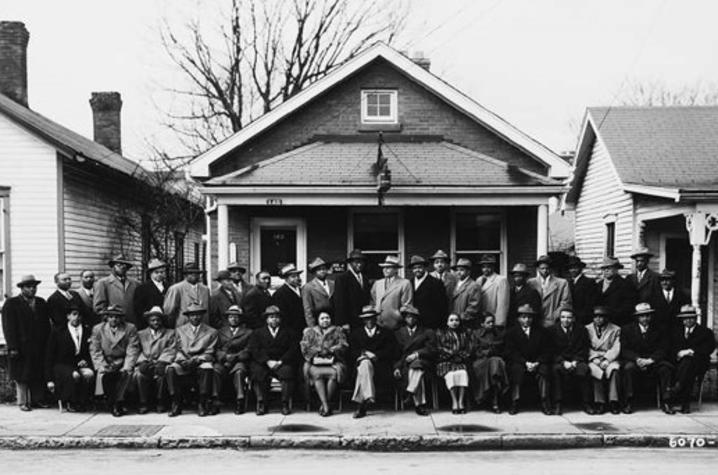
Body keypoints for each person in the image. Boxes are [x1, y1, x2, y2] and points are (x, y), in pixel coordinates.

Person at [1, 275, 52, 411]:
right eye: (28, 287)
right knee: (22, 375)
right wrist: (13, 347)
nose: (32, 289)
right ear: (22, 288)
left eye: (34, 287)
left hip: (39, 345)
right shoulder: (12, 304)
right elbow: (8, 327)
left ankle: (38, 400)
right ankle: (23, 402)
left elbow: (46, 325)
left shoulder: (41, 303)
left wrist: (47, 343)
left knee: (37, 373)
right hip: (21, 346)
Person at [619, 302, 675, 414]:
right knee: (628, 369)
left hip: (653, 361)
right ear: (637, 317)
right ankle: (628, 401)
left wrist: (651, 360)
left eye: (647, 315)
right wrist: (637, 359)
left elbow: (663, 348)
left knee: (666, 369)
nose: (645, 318)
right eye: (642, 316)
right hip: (636, 361)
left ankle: (666, 401)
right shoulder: (627, 329)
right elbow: (624, 349)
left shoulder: (660, 329)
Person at [166, 304, 219, 417]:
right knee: (171, 369)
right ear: (188, 317)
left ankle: (202, 403)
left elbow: (210, 351)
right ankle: (176, 402)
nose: (195, 317)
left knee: (207, 368)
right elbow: (176, 348)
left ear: (202, 316)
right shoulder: (180, 330)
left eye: (198, 315)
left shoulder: (211, 331)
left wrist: (197, 359)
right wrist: (181, 359)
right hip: (184, 360)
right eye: (192, 315)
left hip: (201, 361)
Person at [248, 305, 299, 416]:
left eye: (276, 317)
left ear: (280, 319)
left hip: (281, 362)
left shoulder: (289, 332)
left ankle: (285, 403)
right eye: (271, 317)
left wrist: (281, 361)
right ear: (266, 319)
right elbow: (254, 349)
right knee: (257, 372)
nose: (274, 319)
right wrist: (267, 361)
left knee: (288, 372)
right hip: (264, 362)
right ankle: (262, 403)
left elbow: (293, 349)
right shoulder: (257, 333)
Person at [89, 305, 139, 417]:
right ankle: (111, 403)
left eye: (117, 317)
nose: (114, 319)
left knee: (126, 374)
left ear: (121, 318)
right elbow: (95, 349)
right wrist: (102, 365)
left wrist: (127, 366)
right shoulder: (98, 329)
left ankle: (118, 403)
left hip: (122, 360)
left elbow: (132, 349)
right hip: (106, 360)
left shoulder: (130, 328)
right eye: (111, 317)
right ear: (106, 317)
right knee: (105, 375)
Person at [349, 305, 397, 419]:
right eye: (366, 318)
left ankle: (361, 405)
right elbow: (350, 352)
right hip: (359, 366)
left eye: (371, 318)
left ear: (376, 318)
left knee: (364, 369)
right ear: (363, 320)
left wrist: (376, 355)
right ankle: (368, 397)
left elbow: (393, 351)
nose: (369, 321)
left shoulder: (386, 332)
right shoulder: (356, 333)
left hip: (380, 367)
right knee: (364, 364)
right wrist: (363, 354)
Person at [504, 304, 552, 415]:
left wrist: (537, 362)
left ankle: (545, 401)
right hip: (520, 362)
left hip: (537, 362)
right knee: (516, 370)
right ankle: (515, 401)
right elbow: (510, 352)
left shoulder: (541, 332)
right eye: (523, 317)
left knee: (544, 370)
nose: (526, 320)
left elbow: (547, 351)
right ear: (518, 318)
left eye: (529, 317)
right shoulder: (511, 333)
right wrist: (525, 363)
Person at [45, 304, 94, 412]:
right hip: (62, 364)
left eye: (79, 315)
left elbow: (90, 351)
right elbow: (49, 355)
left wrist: (85, 360)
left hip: (79, 364)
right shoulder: (58, 331)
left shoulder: (86, 331)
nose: (77, 318)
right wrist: (49, 379)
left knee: (89, 374)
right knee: (75, 375)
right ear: (68, 316)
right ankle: (70, 401)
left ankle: (83, 400)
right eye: (74, 314)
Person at [668, 305, 716, 413]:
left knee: (688, 364)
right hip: (678, 363)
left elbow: (709, 348)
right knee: (682, 367)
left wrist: (691, 351)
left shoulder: (705, 332)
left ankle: (678, 390)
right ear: (682, 319)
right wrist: (678, 353)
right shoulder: (676, 332)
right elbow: (671, 348)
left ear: (695, 318)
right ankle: (684, 402)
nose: (688, 320)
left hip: (698, 363)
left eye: (691, 318)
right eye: (685, 318)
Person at [300, 311, 348, 417]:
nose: (325, 320)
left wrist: (331, 350)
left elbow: (343, 345)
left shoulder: (338, 331)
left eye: (327, 318)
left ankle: (325, 404)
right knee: (317, 375)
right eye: (322, 318)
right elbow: (305, 347)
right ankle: (326, 405)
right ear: (318, 320)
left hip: (333, 362)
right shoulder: (310, 332)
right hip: (315, 363)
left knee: (334, 374)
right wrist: (318, 351)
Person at [393, 304, 436, 416]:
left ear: (417, 318)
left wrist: (417, 354)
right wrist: (397, 367)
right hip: (404, 363)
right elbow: (396, 354)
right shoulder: (399, 333)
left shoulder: (426, 331)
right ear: (404, 318)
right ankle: (419, 404)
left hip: (423, 361)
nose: (410, 319)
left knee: (417, 366)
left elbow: (431, 349)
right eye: (408, 317)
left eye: (413, 317)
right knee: (414, 370)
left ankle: (410, 393)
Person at [548, 307, 592, 415]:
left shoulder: (581, 330)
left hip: (576, 360)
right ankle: (558, 403)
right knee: (556, 371)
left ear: (573, 319)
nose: (566, 320)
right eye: (563, 317)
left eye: (569, 317)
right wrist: (563, 362)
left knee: (584, 369)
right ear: (559, 318)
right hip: (560, 361)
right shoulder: (551, 330)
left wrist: (576, 361)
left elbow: (584, 348)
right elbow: (550, 351)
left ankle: (586, 403)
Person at [134, 306, 176, 414]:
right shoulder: (141, 334)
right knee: (139, 375)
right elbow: (136, 349)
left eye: (158, 320)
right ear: (148, 321)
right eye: (153, 320)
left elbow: (171, 349)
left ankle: (160, 401)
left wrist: (162, 361)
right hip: (146, 362)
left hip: (161, 362)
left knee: (162, 375)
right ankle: (143, 402)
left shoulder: (170, 333)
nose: (156, 322)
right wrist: (142, 361)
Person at [213, 305, 253, 415]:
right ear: (227, 318)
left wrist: (235, 357)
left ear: (240, 318)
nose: (233, 319)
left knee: (239, 372)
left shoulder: (248, 332)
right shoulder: (220, 332)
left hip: (239, 361)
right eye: (231, 316)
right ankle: (215, 400)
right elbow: (216, 349)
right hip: (223, 361)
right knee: (215, 370)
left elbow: (248, 350)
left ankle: (240, 399)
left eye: (236, 317)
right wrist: (224, 356)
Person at [586, 306, 622, 415]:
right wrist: (594, 358)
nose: (598, 319)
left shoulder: (615, 329)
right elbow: (585, 346)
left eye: (601, 317)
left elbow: (616, 347)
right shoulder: (587, 329)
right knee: (595, 371)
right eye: (596, 316)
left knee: (614, 370)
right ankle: (599, 402)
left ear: (606, 318)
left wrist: (607, 359)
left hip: (609, 357)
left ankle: (613, 401)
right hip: (594, 358)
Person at [471, 312, 508, 413]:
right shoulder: (476, 334)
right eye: (488, 322)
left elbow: (504, 350)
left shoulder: (499, 334)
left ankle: (493, 399)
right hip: (480, 362)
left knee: (496, 363)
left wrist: (494, 351)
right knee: (495, 365)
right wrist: (486, 352)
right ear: (482, 324)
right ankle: (494, 401)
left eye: (492, 322)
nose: (491, 324)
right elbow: (474, 351)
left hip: (496, 360)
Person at [436, 313, 472, 414]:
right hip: (446, 362)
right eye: (451, 320)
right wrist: (451, 354)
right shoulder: (441, 333)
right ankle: (454, 401)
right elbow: (439, 348)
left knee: (462, 374)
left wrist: (461, 356)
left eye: (456, 320)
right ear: (447, 323)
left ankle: (461, 401)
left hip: (460, 361)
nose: (454, 322)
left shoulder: (464, 334)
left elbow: (468, 348)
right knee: (451, 375)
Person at [94, 254, 139, 326]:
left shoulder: (135, 283)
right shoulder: (103, 283)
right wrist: (110, 319)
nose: (123, 267)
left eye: (125, 265)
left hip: (131, 324)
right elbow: (99, 308)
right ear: (113, 266)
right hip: (113, 325)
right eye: (119, 264)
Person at [371, 255, 413, 331]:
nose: (385, 270)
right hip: (378, 325)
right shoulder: (378, 283)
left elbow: (406, 305)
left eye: (388, 267)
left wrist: (398, 316)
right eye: (384, 267)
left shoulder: (404, 283)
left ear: (396, 269)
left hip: (396, 326)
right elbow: (373, 300)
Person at [332, 249, 371, 331]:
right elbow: (339, 303)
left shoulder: (365, 278)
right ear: (350, 263)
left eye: (361, 262)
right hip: (349, 321)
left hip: (363, 320)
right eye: (356, 262)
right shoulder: (342, 279)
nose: (359, 265)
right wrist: (343, 323)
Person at [528, 255, 572, 327]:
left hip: (553, 322)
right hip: (535, 322)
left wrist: (555, 316)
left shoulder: (562, 283)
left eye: (547, 268)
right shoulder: (531, 283)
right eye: (542, 268)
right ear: (538, 269)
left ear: (551, 268)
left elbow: (565, 302)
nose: (545, 270)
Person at [164, 263, 210, 328]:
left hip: (203, 328)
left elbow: (208, 311)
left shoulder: (205, 289)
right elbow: (169, 312)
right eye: (190, 273)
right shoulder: (176, 289)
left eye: (197, 273)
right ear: (185, 275)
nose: (194, 276)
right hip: (184, 327)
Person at [410, 255, 448, 330]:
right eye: (414, 268)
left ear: (424, 267)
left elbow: (442, 306)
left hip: (431, 324)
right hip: (415, 324)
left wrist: (440, 325)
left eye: (420, 267)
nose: (417, 270)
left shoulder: (436, 283)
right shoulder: (410, 282)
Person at [596, 257, 636, 327]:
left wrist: (611, 314)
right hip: (600, 323)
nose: (606, 271)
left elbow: (628, 307)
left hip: (617, 323)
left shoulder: (625, 285)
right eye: (604, 268)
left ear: (616, 269)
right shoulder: (599, 284)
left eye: (609, 268)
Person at [272, 263, 306, 337]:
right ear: (286, 279)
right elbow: (282, 315)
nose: (297, 278)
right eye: (293, 277)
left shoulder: (302, 290)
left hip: (303, 329)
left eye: (298, 276)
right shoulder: (280, 294)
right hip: (289, 331)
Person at [133, 259, 168, 330]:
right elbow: (138, 307)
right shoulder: (142, 288)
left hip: (165, 322)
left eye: (162, 272)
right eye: (156, 272)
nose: (159, 274)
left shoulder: (169, 287)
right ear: (151, 274)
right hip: (148, 323)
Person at [477, 254, 510, 327]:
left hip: (492, 320)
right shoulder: (478, 280)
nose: (485, 269)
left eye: (488, 267)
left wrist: (499, 323)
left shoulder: (501, 280)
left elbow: (503, 304)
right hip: (481, 321)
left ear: (493, 267)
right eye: (483, 267)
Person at [302, 257, 335, 328]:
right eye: (319, 270)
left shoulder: (333, 284)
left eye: (324, 269)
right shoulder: (308, 287)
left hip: (333, 320)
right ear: (314, 272)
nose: (322, 271)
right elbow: (308, 310)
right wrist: (312, 327)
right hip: (318, 321)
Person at [449, 258, 481, 328]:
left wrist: (460, 318)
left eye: (462, 270)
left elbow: (473, 306)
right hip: (453, 322)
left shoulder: (473, 286)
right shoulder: (455, 284)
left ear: (468, 271)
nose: (458, 272)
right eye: (457, 270)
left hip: (465, 322)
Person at [567, 256, 599, 326]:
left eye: (575, 268)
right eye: (571, 268)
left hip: (583, 319)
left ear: (581, 268)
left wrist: (580, 317)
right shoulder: (568, 283)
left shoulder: (589, 282)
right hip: (569, 319)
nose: (573, 270)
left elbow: (591, 304)